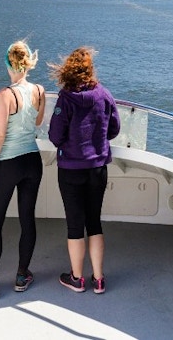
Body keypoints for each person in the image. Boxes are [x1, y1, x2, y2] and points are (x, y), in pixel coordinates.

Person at [48, 46, 120, 294]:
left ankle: (77, 278)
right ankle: (98, 279)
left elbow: (55, 136)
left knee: (75, 225)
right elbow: (114, 129)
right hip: (97, 167)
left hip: (70, 169)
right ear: (90, 70)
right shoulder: (104, 95)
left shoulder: (65, 99)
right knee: (94, 222)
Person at [0, 40, 45, 299]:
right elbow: (38, 121)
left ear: (8, 64)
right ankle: (21, 275)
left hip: (8, 163)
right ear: (27, 63)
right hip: (32, 161)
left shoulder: (5, 94)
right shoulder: (39, 90)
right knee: (27, 219)